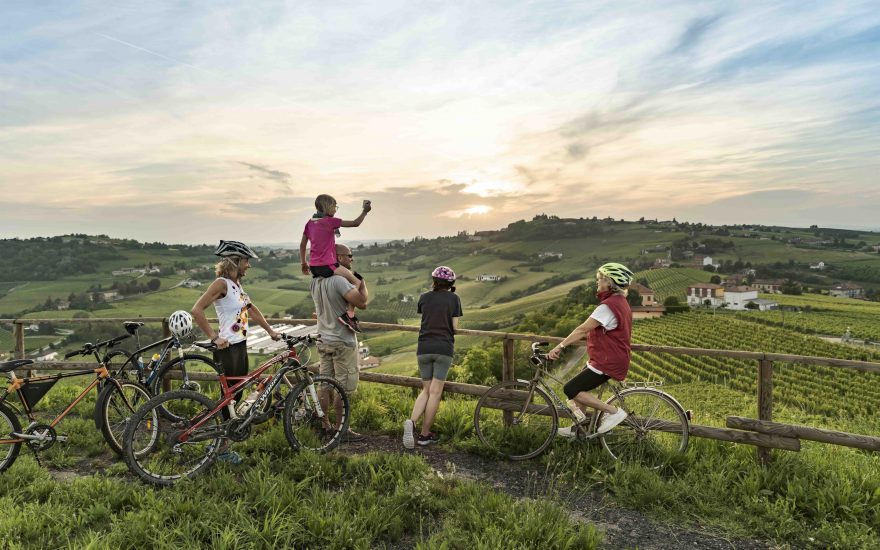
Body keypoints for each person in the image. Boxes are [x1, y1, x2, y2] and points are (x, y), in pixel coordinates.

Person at [191, 240, 282, 464]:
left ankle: (217, 439)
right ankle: (220, 449)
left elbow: (251, 310)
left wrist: (270, 331)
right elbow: (197, 310)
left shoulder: (236, 285)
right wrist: (214, 337)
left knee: (235, 395)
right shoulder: (221, 284)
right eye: (246, 261)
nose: (249, 265)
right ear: (235, 261)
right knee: (229, 399)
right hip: (227, 348)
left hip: (240, 345)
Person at [548, 262, 634, 437]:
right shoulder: (621, 302)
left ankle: (613, 412)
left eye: (601, 278)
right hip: (610, 358)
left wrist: (559, 346)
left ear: (609, 282)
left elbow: (582, 329)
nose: (597, 281)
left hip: (607, 361)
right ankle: (579, 429)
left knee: (571, 389)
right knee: (581, 388)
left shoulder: (607, 306)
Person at [310, 243, 369, 441]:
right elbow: (362, 302)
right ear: (339, 258)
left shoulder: (315, 281)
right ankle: (341, 429)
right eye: (349, 256)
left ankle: (325, 425)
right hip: (342, 341)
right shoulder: (339, 281)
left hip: (323, 339)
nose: (352, 259)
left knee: (324, 385)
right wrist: (361, 282)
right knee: (342, 388)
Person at [403, 266, 462, 449]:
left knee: (426, 390)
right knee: (436, 393)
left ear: (434, 281)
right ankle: (424, 434)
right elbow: (454, 327)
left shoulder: (424, 297)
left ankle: (412, 422)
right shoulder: (454, 299)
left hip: (424, 347)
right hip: (443, 348)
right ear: (451, 283)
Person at [300, 194, 371, 332]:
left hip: (314, 267)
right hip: (328, 265)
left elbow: (303, 245)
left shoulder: (309, 223)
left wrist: (303, 263)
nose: (335, 209)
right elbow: (356, 223)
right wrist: (365, 211)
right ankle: (349, 315)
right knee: (356, 281)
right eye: (334, 206)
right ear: (327, 206)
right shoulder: (329, 221)